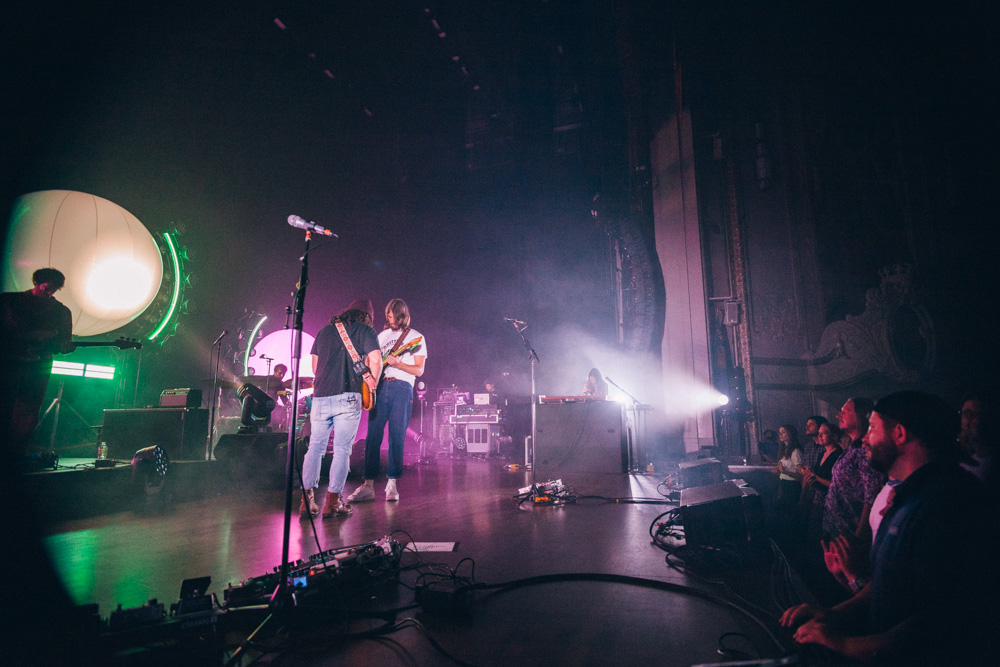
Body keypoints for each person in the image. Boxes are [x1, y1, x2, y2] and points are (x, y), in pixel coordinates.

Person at [780, 391, 996, 664]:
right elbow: (885, 588)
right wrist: (831, 614)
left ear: (900, 434)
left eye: (872, 428)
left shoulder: (949, 504)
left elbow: (935, 626)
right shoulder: (904, 496)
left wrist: (842, 643)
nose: (866, 439)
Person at [301, 300, 381, 518]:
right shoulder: (365, 331)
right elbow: (375, 359)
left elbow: (315, 367)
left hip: (321, 397)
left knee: (315, 448)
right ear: (367, 316)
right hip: (348, 396)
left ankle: (306, 500)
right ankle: (333, 502)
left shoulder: (324, 331)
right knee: (342, 449)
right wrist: (372, 382)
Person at [348, 298, 427, 503]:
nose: (388, 318)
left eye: (391, 314)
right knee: (373, 436)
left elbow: (419, 369)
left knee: (396, 436)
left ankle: (392, 484)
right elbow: (370, 359)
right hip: (380, 387)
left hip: (402, 387)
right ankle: (368, 485)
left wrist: (399, 364)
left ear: (401, 314)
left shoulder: (416, 337)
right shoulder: (381, 335)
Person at [0, 268, 75, 457]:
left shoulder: (61, 312)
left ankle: (16, 455)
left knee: (29, 411)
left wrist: (64, 346)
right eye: (46, 288)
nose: (49, 293)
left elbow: (61, 344)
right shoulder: (9, 301)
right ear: (36, 282)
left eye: (54, 290)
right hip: (8, 363)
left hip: (37, 367)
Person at [823, 398, 885, 543]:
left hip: (851, 533)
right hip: (838, 528)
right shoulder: (852, 447)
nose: (838, 415)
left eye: (846, 411)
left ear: (862, 414)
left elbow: (872, 496)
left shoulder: (867, 450)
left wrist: (859, 538)